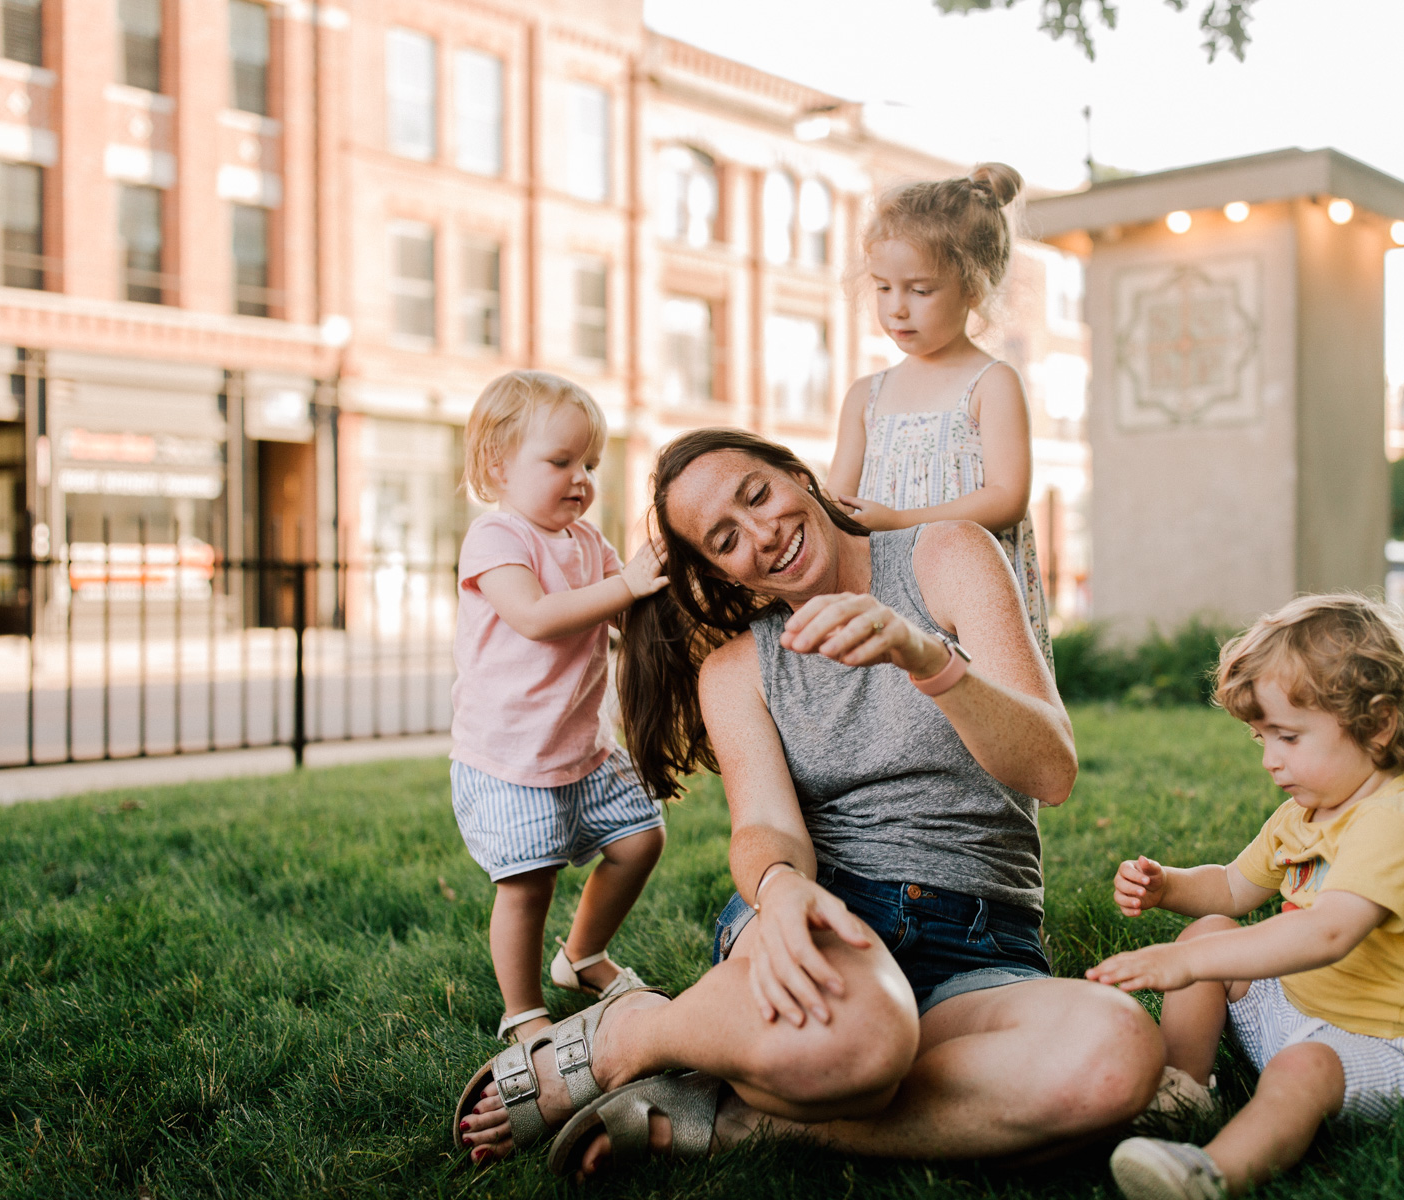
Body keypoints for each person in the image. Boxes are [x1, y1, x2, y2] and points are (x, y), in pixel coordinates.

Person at [454, 428, 1162, 1175]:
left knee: (1115, 1057)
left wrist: (926, 658)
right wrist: (780, 887)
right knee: (863, 1041)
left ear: (799, 475)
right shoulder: (736, 669)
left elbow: (1050, 770)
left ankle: (731, 1119)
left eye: (758, 494)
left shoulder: (948, 555)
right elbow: (763, 827)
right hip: (826, 914)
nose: (762, 534)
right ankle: (635, 1032)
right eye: (725, 538)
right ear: (721, 571)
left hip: (982, 945)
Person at [1086, 594, 1404, 1200]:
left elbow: (1326, 932)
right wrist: (1170, 887)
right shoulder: (1304, 812)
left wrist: (1184, 964)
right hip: (1296, 1011)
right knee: (1210, 930)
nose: (1270, 760)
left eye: (1289, 737)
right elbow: (1233, 888)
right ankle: (1181, 1094)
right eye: (1262, 738)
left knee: (1302, 1066)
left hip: (1389, 1046)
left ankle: (1209, 1173)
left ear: (1377, 727)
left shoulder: (1396, 824)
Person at [449, 370, 670, 1047]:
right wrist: (626, 586)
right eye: (560, 461)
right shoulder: (497, 539)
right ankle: (522, 1010)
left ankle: (580, 956)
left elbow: (623, 618)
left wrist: (656, 586)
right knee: (527, 884)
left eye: (590, 463)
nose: (580, 478)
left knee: (640, 840)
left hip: (583, 750)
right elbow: (537, 617)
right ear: (498, 465)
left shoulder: (589, 544)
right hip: (511, 757)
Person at [827, 162, 1053, 670]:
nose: (896, 309)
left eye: (920, 290)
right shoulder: (865, 396)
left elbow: (1007, 497)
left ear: (974, 286)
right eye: (883, 287)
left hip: (974, 594)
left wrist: (901, 523)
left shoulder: (991, 383)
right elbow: (838, 504)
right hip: (892, 589)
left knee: (985, 709)